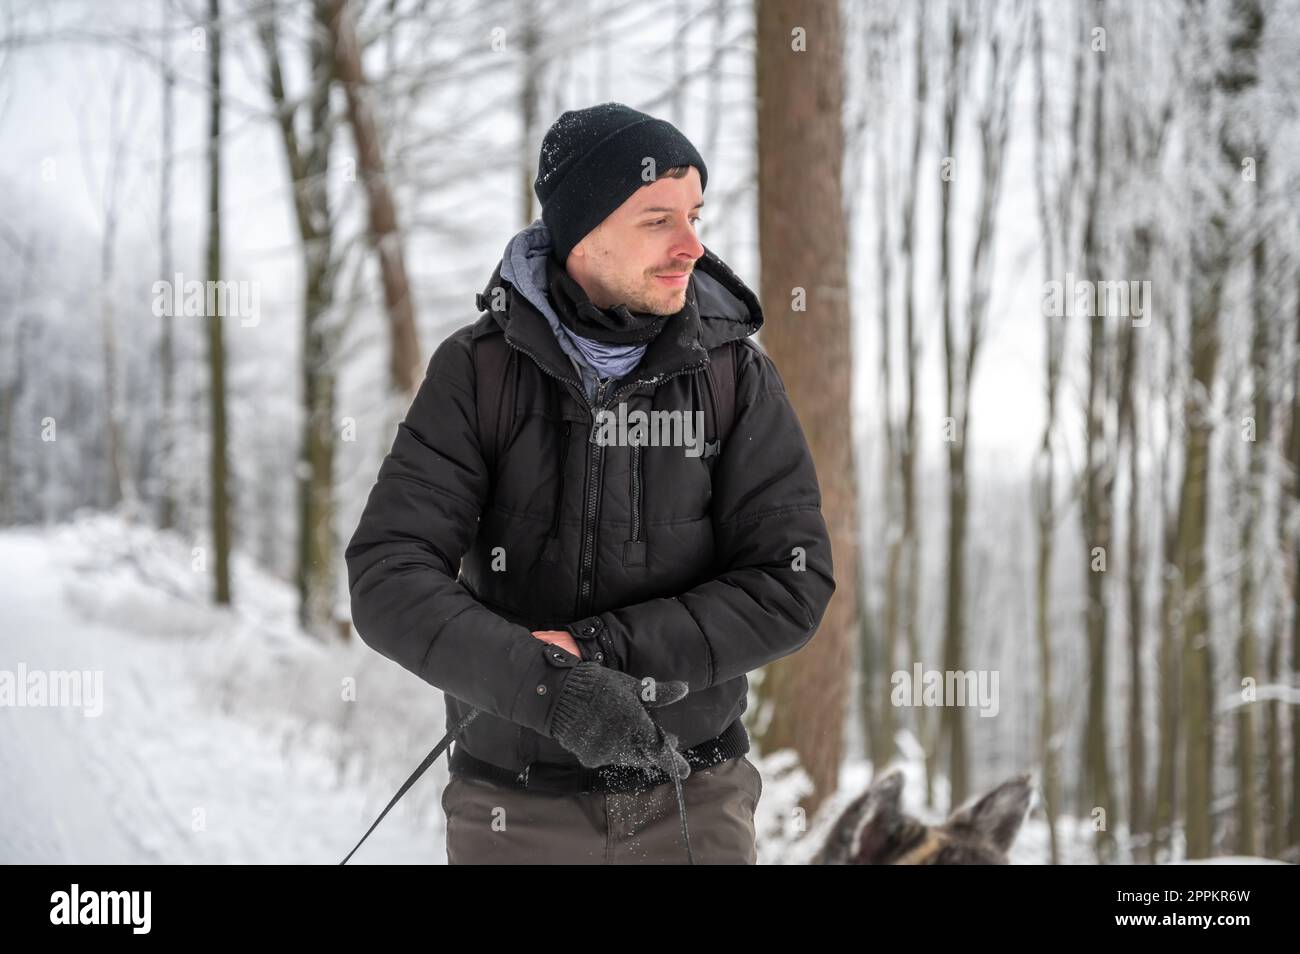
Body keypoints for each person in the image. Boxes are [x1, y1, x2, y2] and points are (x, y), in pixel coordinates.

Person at [345, 102, 835, 864]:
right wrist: (551, 689)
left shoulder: (736, 376)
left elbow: (791, 582)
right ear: (582, 230)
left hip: (691, 800)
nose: (691, 248)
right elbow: (387, 577)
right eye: (657, 220)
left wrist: (598, 649)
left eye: (695, 215)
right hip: (514, 804)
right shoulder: (478, 374)